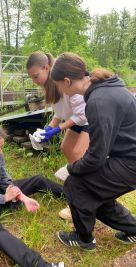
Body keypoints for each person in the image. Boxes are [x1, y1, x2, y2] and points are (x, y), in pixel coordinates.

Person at [50, 52, 136, 251]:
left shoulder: (98, 101)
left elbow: (96, 156)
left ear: (67, 81)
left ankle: (84, 239)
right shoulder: (107, 89)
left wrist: (72, 168)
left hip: (130, 163)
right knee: (98, 195)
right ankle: (133, 229)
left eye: (58, 85)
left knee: (75, 185)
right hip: (127, 158)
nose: (59, 90)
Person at [0, 124, 64, 267]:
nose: (0, 152)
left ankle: (78, 198)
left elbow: (5, 180)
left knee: (38, 180)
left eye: (1, 147)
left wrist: (22, 197)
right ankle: (38, 264)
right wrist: (5, 198)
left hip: (2, 192)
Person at [26, 51, 90, 219]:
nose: (34, 81)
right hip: (76, 121)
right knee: (66, 148)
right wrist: (47, 129)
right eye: (31, 77)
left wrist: (58, 129)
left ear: (46, 68)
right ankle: (78, 187)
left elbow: (81, 115)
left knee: (77, 155)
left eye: (36, 76)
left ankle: (82, 201)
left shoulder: (64, 81)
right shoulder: (50, 87)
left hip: (90, 120)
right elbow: (59, 113)